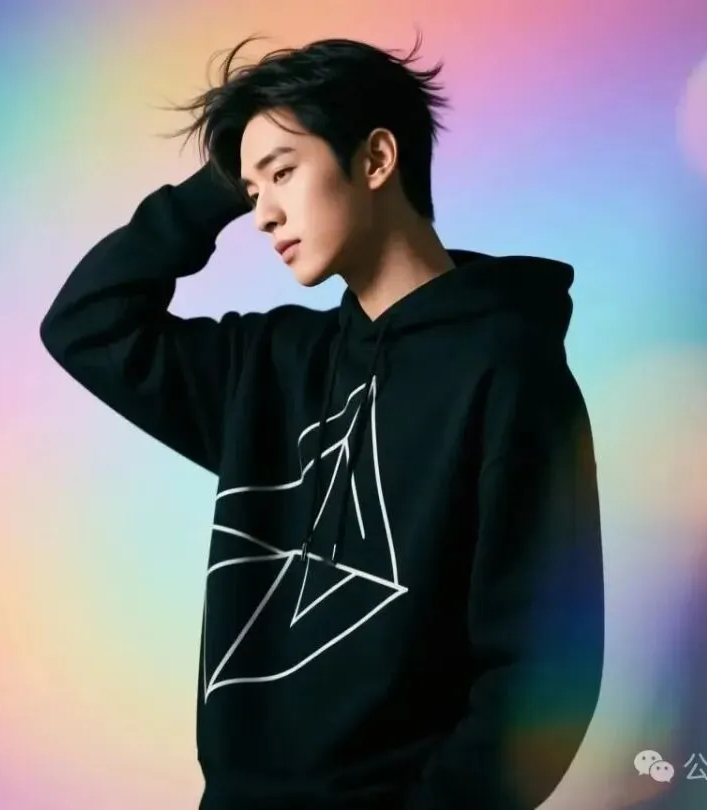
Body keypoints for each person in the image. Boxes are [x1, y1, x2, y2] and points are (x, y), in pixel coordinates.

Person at [40, 34, 604, 810]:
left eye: (282, 173)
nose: (263, 214)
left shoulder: (507, 372)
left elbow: (539, 671)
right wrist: (224, 177)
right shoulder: (271, 366)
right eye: (250, 190)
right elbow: (87, 324)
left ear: (376, 160)